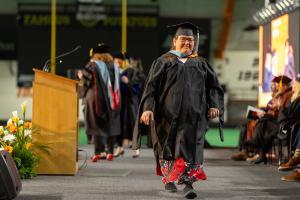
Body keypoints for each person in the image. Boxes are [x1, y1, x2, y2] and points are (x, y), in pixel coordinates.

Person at [132, 22, 224, 199]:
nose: (188, 43)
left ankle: (188, 183)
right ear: (174, 41)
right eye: (184, 39)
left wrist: (214, 105)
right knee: (168, 147)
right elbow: (150, 89)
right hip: (167, 118)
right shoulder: (163, 62)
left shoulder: (201, 63)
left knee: (192, 148)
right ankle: (169, 179)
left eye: (191, 40)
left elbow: (213, 87)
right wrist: (148, 109)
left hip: (194, 117)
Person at [80, 43, 121, 162]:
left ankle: (99, 151)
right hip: (112, 99)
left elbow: (85, 82)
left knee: (96, 124)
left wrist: (80, 78)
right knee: (110, 123)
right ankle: (110, 152)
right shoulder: (114, 66)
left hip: (96, 99)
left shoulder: (92, 65)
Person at [245, 75, 293, 164]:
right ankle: (260, 153)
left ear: (285, 85)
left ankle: (255, 144)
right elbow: (271, 108)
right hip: (277, 122)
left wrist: (278, 106)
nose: (278, 86)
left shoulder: (289, 95)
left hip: (285, 126)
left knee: (262, 121)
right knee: (260, 123)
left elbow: (286, 112)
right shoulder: (282, 95)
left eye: (279, 84)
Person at [278, 76, 300, 178]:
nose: (293, 86)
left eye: (295, 84)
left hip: (291, 122)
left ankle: (296, 158)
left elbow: (294, 113)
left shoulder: (292, 96)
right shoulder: (295, 97)